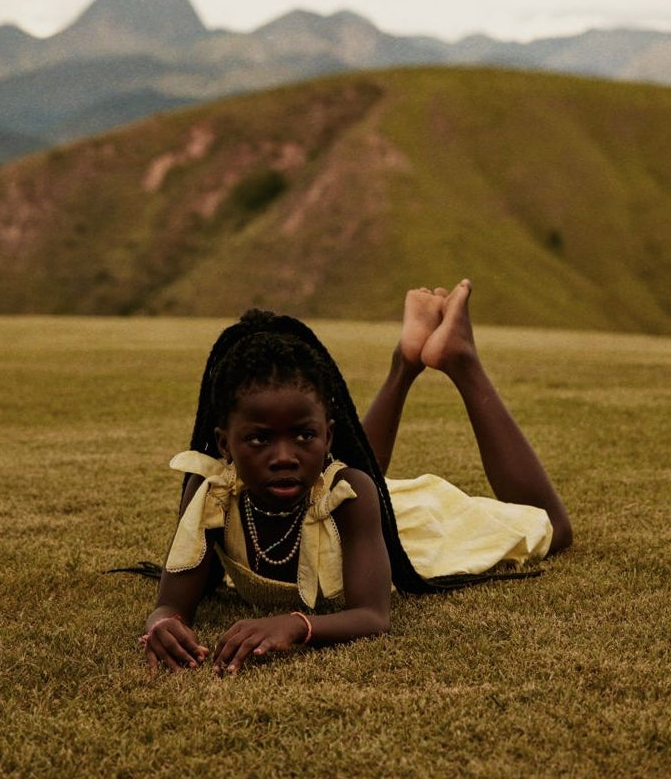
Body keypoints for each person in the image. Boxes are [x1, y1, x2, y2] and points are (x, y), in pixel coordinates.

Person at [140, 279, 572, 676]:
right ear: (224, 443)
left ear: (328, 435)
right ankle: (407, 358)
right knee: (354, 484)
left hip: (406, 533)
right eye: (259, 439)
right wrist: (164, 624)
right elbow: (171, 603)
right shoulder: (211, 491)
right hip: (348, 516)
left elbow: (373, 616)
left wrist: (296, 625)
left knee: (554, 529)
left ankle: (460, 359)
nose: (284, 457)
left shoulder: (351, 494)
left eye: (305, 435)